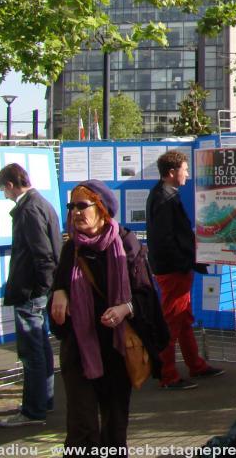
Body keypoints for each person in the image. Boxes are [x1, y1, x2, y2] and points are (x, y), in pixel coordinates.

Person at [50, 180, 165, 448]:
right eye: (71, 207)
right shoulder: (71, 248)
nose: (75, 212)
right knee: (82, 428)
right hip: (80, 349)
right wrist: (59, 292)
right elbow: (57, 308)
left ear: (101, 209)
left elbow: (146, 296)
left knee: (114, 428)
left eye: (82, 206)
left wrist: (125, 308)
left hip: (116, 348)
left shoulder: (126, 244)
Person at [146, 150, 221, 389]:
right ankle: (167, 375)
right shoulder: (165, 198)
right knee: (173, 321)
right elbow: (165, 238)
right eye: (185, 170)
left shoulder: (163, 194)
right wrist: (183, 261)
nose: (188, 174)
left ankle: (195, 365)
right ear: (172, 172)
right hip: (173, 269)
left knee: (183, 318)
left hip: (174, 267)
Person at [0, 162, 61, 427]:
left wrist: (41, 290)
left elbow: (42, 254)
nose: (4, 195)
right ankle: (43, 400)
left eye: (3, 189)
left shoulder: (30, 208)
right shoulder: (40, 204)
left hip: (31, 291)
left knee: (31, 352)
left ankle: (33, 410)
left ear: (10, 184)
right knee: (41, 348)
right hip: (37, 290)